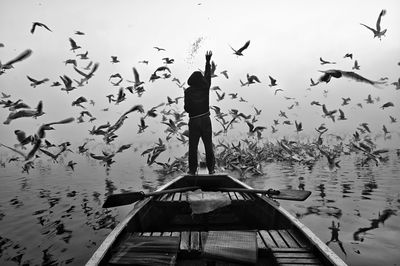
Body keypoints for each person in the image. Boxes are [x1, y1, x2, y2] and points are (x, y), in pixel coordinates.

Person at [184, 51, 215, 175]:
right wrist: (207, 62)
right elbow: (208, 75)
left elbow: (186, 108)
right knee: (208, 145)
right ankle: (211, 170)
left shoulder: (188, 91)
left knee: (193, 147)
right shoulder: (205, 87)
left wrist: (193, 110)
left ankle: (192, 171)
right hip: (206, 120)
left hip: (194, 121)